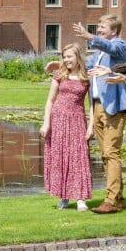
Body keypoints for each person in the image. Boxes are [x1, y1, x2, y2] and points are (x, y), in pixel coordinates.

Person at [46, 14, 126, 213]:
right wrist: (60, 65)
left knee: (111, 153)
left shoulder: (119, 45)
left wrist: (89, 36)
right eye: (98, 27)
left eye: (102, 27)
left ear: (114, 30)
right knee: (105, 154)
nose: (99, 29)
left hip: (114, 107)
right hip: (99, 107)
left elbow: (113, 49)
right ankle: (117, 198)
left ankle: (111, 201)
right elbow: (84, 68)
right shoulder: (98, 52)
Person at [39, 43, 93, 212]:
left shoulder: (87, 77)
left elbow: (92, 104)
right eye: (64, 57)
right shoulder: (60, 75)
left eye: (69, 56)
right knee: (61, 158)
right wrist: (46, 122)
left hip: (77, 121)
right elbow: (50, 101)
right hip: (58, 120)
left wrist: (91, 126)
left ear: (78, 57)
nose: (66, 60)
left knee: (78, 158)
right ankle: (64, 197)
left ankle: (80, 199)